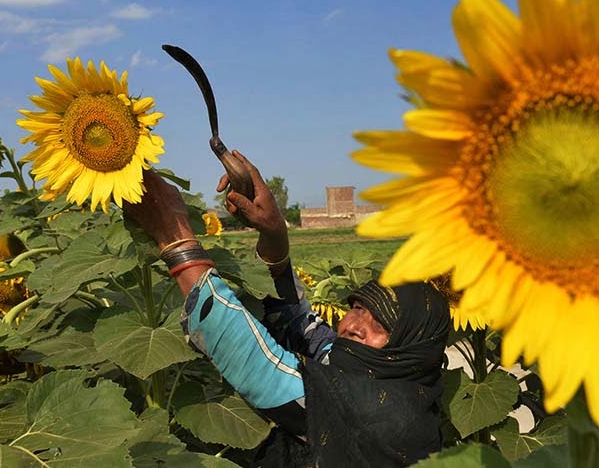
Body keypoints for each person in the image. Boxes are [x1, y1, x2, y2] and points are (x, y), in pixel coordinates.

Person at [123, 151, 452, 467]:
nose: (353, 325)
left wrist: (175, 235)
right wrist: (275, 234)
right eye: (358, 308)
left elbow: (265, 372)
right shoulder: (349, 364)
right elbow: (299, 322)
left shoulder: (391, 416)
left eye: (381, 324)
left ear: (413, 349)